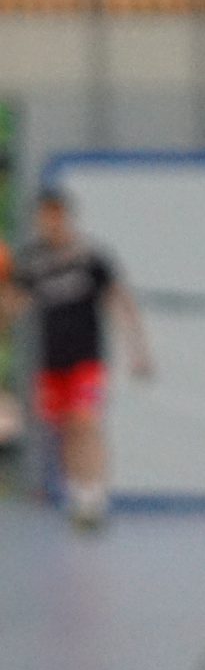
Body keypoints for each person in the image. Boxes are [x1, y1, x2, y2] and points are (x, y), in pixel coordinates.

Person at [3, 188, 152, 528]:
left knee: (85, 422)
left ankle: (94, 496)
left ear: (66, 217)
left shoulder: (90, 258)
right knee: (64, 429)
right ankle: (76, 495)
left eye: (56, 215)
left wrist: (138, 350)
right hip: (52, 361)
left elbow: (119, 302)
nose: (49, 223)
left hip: (87, 358)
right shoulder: (31, 262)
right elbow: (14, 307)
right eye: (44, 216)